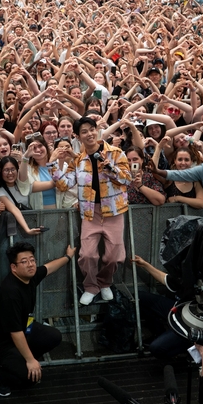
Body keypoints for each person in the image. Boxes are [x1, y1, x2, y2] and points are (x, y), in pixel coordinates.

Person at [54, 117, 130, 306]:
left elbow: (127, 180)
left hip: (114, 212)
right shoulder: (78, 160)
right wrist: (52, 162)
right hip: (90, 213)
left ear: (97, 131)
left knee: (114, 256)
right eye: (84, 132)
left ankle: (105, 283)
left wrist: (110, 168)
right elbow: (64, 185)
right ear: (78, 137)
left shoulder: (116, 153)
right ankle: (91, 287)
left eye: (91, 130)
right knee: (87, 255)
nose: (89, 134)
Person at [0, 241, 76, 397]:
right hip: (1, 341)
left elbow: (49, 268)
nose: (30, 265)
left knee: (54, 336)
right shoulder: (10, 292)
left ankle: (21, 360)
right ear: (14, 267)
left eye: (32, 260)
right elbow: (15, 332)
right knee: (30, 378)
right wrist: (30, 360)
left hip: (23, 329)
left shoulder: (29, 276)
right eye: (24, 262)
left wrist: (68, 257)